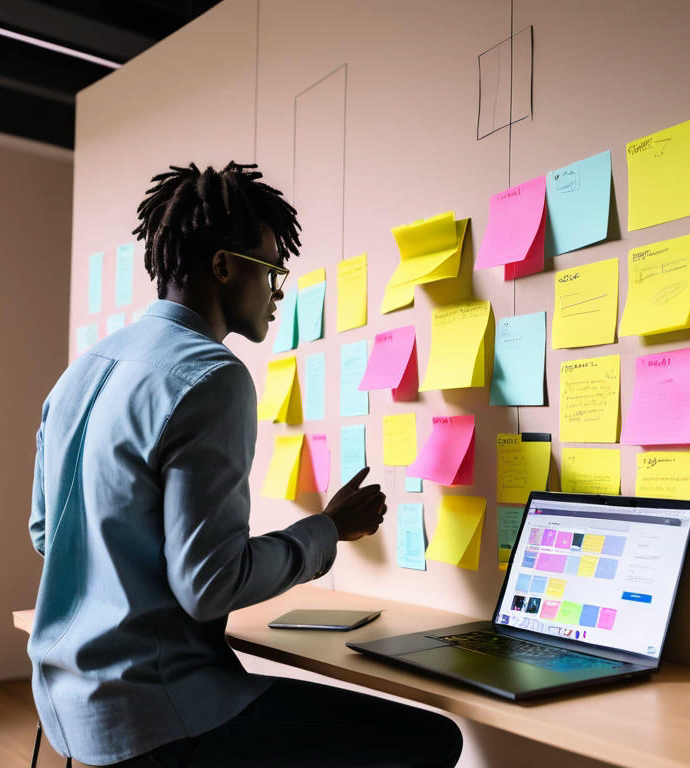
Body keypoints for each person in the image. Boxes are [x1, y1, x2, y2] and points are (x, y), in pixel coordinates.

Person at [28, 162, 463, 767]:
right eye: (272, 268)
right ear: (224, 266)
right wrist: (328, 529)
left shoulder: (83, 369)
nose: (278, 289)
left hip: (68, 705)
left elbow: (47, 533)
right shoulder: (212, 378)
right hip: (157, 712)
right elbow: (210, 587)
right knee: (433, 738)